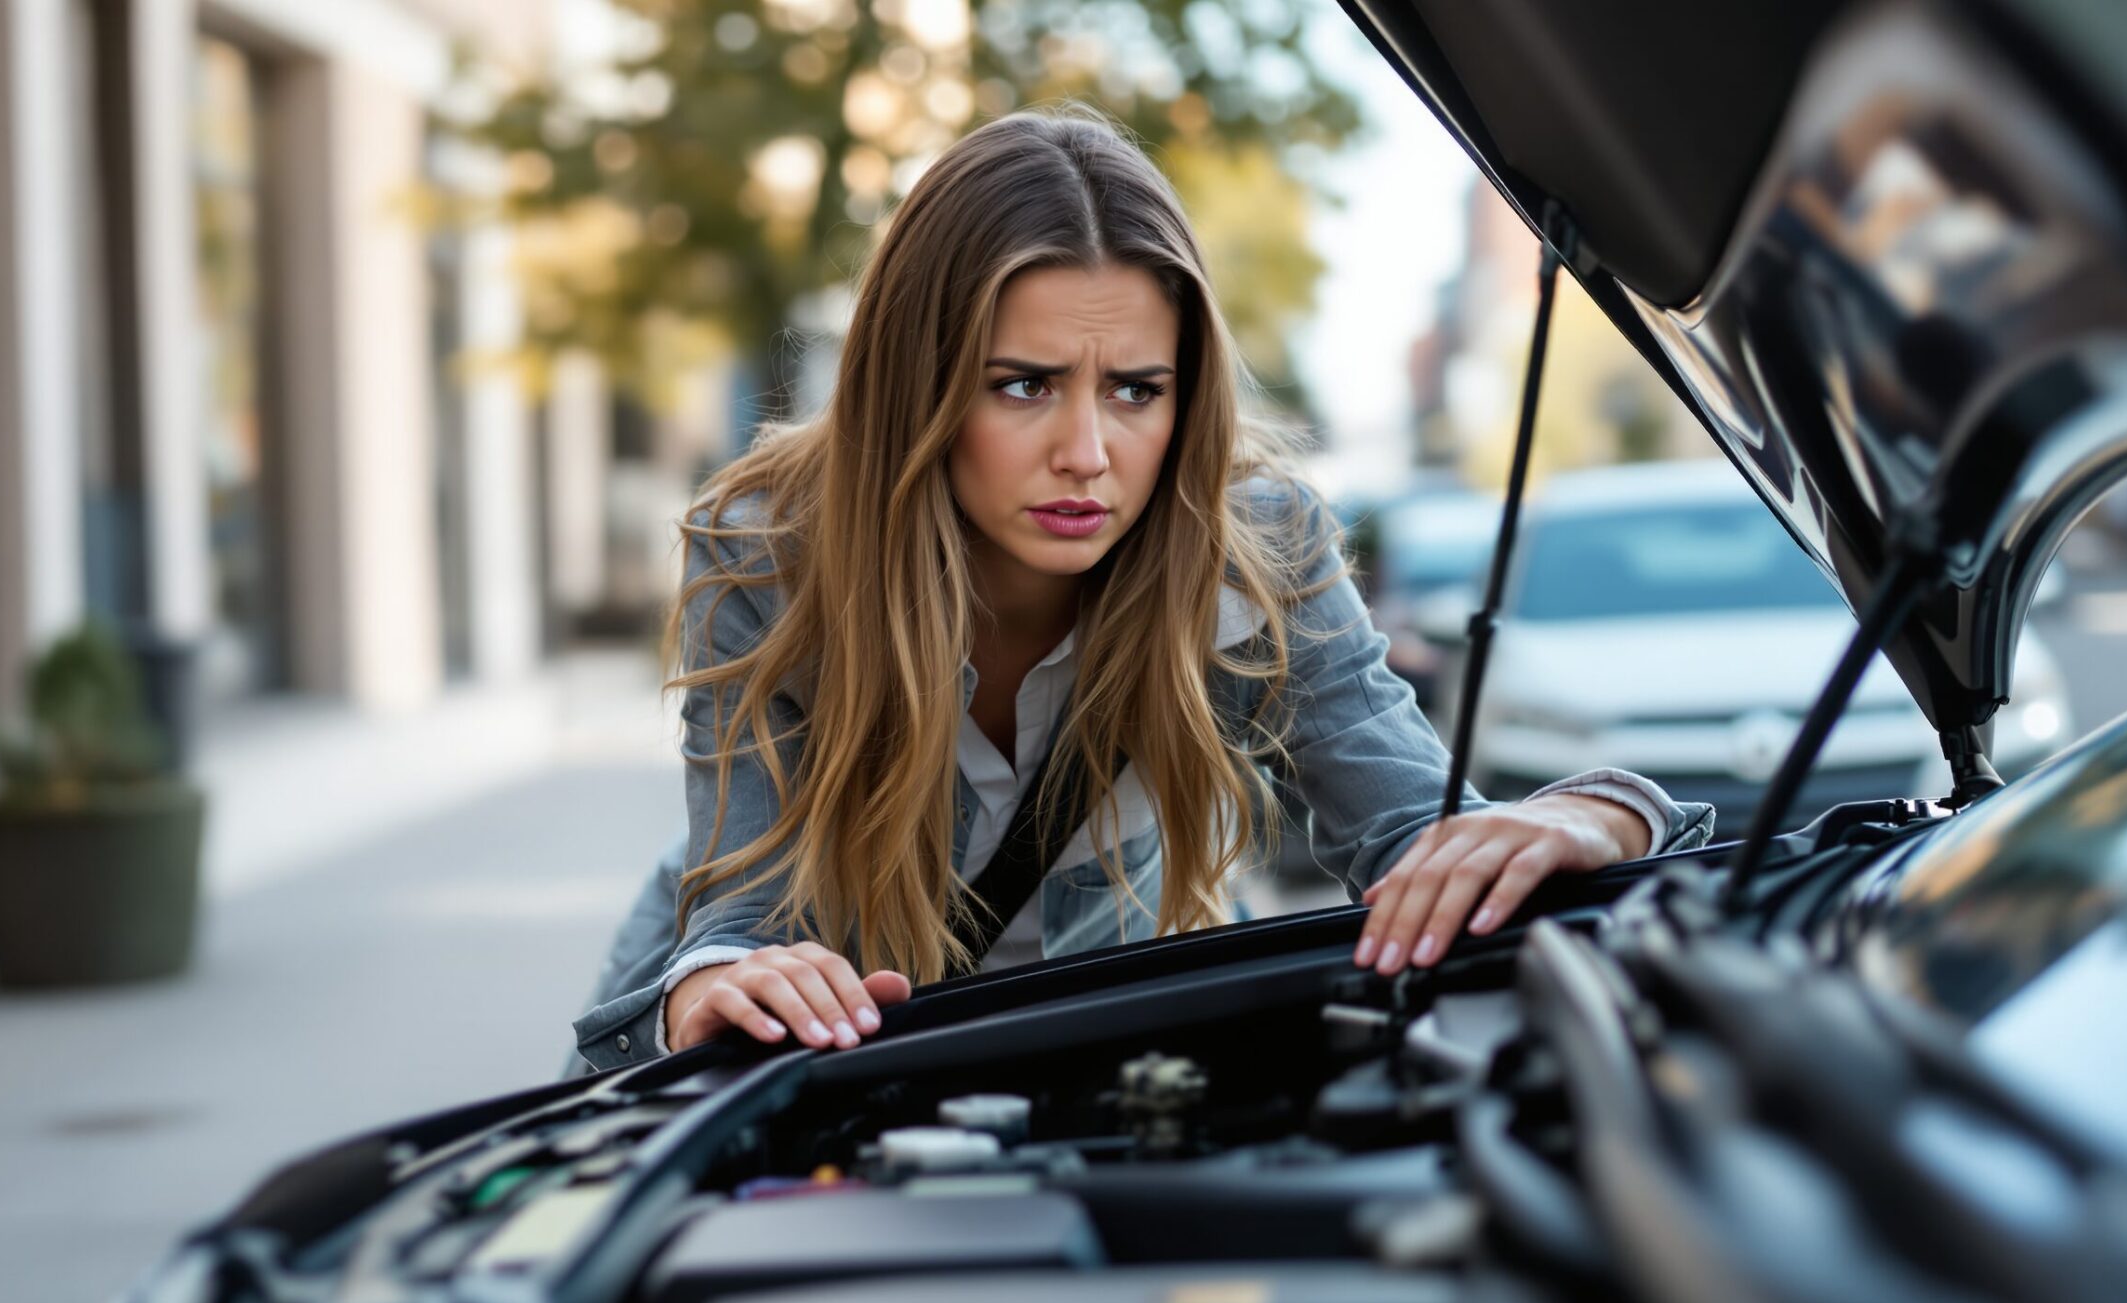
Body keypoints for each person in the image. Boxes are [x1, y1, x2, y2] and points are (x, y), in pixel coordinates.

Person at [568, 107, 1712, 1072]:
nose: (1086, 450)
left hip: (1106, 1050)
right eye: (1021, 385)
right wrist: (715, 984)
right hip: (822, 1062)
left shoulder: (1257, 547)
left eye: (1135, 389)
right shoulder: (768, 548)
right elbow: (743, 914)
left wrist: (1596, 812)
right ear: (915, 385)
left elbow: (1419, 838)